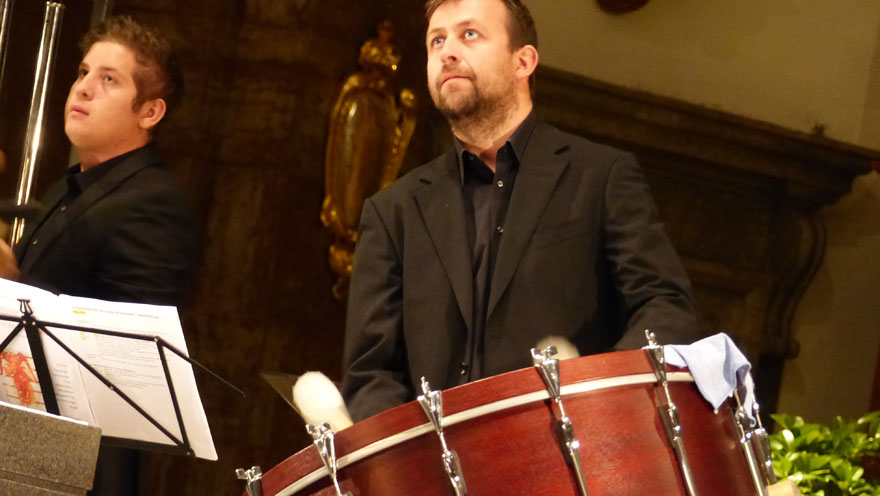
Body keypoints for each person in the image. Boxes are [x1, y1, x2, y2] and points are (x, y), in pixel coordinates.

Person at [341, 0, 700, 422]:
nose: (447, 51)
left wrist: (596, 403)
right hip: (434, 457)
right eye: (436, 40)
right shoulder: (392, 211)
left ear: (523, 61)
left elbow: (664, 306)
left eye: (469, 34)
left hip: (570, 446)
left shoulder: (601, 176)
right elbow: (370, 373)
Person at [0, 16, 200, 495]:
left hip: (75, 468)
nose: (83, 88)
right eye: (83, 72)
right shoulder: (67, 190)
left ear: (149, 112)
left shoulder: (155, 203)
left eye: (109, 79)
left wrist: (9, 281)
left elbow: (128, 359)